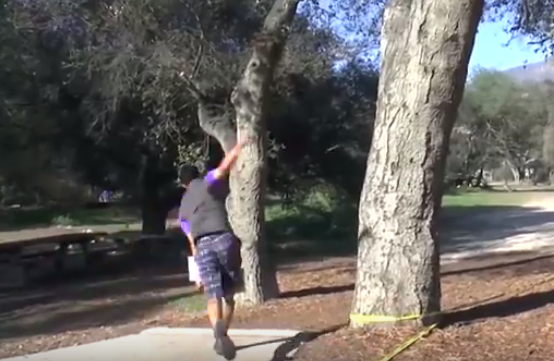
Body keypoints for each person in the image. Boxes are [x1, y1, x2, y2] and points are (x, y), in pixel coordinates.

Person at [178, 139, 246, 360]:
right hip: (223, 239)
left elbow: (191, 242)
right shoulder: (205, 182)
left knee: (211, 295)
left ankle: (217, 332)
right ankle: (223, 331)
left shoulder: (182, 210)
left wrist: (197, 273)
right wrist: (238, 147)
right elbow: (223, 168)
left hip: (202, 245)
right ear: (196, 176)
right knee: (229, 295)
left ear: (182, 184)